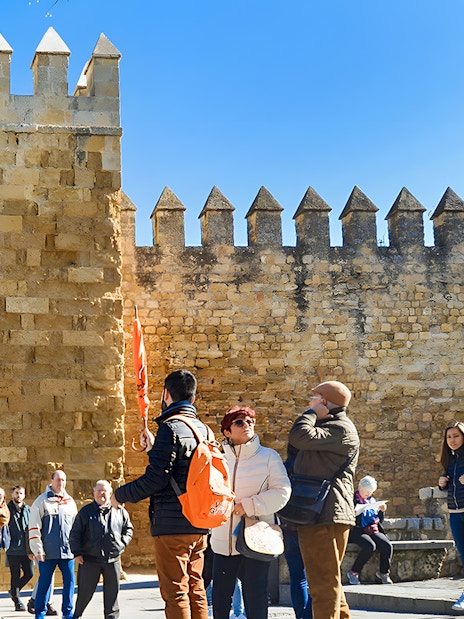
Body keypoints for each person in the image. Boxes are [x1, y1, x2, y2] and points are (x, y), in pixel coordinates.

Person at [112, 369, 210, 619]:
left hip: (172, 524)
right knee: (195, 587)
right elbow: (182, 469)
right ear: (194, 399)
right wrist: (155, 449)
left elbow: (157, 478)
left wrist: (120, 495)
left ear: (166, 394)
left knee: (175, 591)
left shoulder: (171, 428)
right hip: (199, 522)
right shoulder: (203, 430)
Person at [210, 405, 291, 619]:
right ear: (227, 431)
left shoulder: (268, 457)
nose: (247, 425)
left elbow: (283, 492)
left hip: (256, 538)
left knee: (255, 597)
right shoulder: (217, 459)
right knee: (219, 598)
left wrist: (248, 505)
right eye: (239, 422)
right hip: (222, 541)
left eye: (250, 421)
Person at [288, 380, 359, 619]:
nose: (310, 403)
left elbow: (299, 436)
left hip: (325, 514)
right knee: (330, 582)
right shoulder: (330, 426)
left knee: (322, 585)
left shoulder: (341, 428)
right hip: (321, 514)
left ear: (325, 402)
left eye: (315, 399)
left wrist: (310, 414)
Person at [70, 479, 133, 619]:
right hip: (90, 560)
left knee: (112, 595)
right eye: (98, 490)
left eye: (104, 490)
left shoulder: (120, 511)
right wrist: (77, 552)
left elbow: (128, 529)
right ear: (93, 493)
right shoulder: (86, 512)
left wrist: (121, 544)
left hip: (112, 560)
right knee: (84, 594)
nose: (101, 493)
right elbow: (75, 533)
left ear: (110, 493)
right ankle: (77, 615)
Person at [29, 470, 77, 619]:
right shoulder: (41, 501)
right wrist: (38, 549)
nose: (61, 483)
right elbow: (34, 526)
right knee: (44, 583)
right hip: (47, 553)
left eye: (63, 480)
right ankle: (40, 613)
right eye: (58, 480)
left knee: (69, 582)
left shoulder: (70, 502)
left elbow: (76, 528)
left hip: (67, 552)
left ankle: (68, 614)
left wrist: (77, 548)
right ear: (51, 481)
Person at [282, 444, 312, 619]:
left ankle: (300, 615)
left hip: (289, 526)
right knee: (316, 579)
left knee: (298, 578)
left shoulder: (284, 468)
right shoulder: (311, 467)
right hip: (310, 527)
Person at [346, 475, 393, 585]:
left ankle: (383, 573)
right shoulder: (352, 499)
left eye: (371, 492)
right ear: (360, 488)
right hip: (357, 530)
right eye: (367, 491)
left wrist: (381, 511)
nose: (369, 494)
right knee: (369, 546)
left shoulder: (371, 500)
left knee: (386, 545)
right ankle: (353, 572)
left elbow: (379, 520)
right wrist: (354, 513)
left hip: (372, 528)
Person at [438, 420, 464, 612]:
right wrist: (441, 483)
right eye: (449, 437)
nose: (452, 440)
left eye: (456, 436)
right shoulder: (450, 460)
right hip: (455, 514)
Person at [6, 485, 34, 611]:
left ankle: (13, 591)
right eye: (16, 493)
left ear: (24, 495)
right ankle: (17, 600)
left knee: (29, 573)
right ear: (12, 495)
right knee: (15, 574)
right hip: (12, 548)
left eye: (21, 493)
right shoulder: (7, 509)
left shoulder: (28, 509)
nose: (18, 495)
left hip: (26, 548)